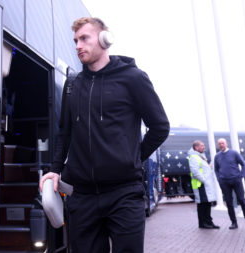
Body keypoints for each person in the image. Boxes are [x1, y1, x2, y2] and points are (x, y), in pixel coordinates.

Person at [39, 17, 170, 253]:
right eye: (75, 40)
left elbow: (160, 127)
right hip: (82, 197)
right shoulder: (72, 85)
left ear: (104, 39)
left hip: (124, 194)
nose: (78, 45)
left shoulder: (133, 79)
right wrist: (55, 169)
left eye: (84, 38)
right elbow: (64, 133)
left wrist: (132, 157)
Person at [214, 138, 245, 231]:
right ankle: (234, 223)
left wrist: (241, 176)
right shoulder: (217, 156)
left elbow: (243, 165)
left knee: (242, 201)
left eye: (222, 143)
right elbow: (216, 169)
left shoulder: (234, 153)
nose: (221, 145)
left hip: (236, 181)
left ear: (226, 144)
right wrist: (219, 179)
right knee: (229, 202)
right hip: (224, 182)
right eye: (219, 144)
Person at [188, 140, 220, 229]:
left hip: (203, 185)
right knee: (204, 204)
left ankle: (206, 222)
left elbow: (202, 169)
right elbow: (195, 171)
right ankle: (205, 223)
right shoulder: (194, 157)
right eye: (202, 145)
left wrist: (209, 167)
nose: (204, 147)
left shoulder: (200, 157)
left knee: (205, 204)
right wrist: (204, 180)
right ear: (196, 147)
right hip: (201, 185)